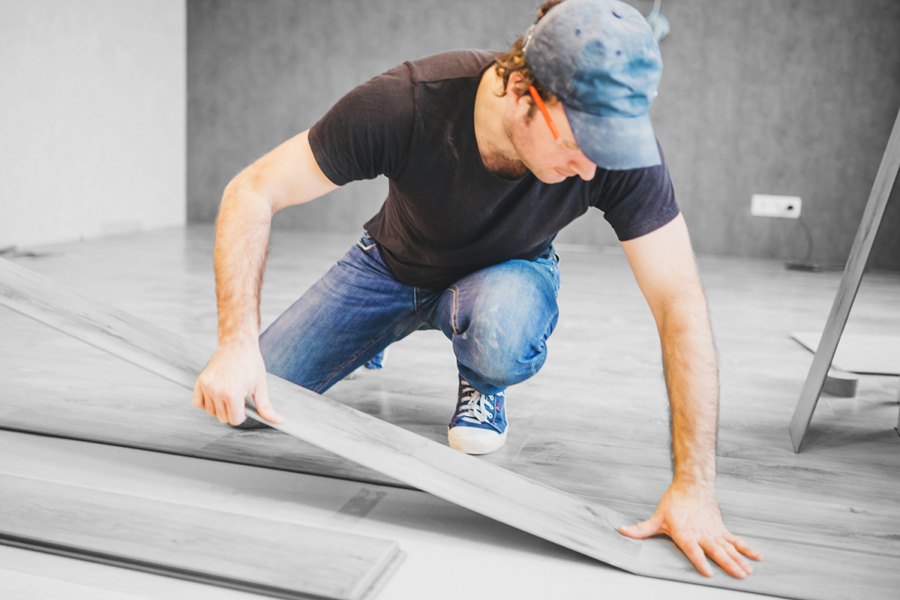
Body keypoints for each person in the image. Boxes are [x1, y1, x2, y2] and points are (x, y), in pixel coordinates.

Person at [192, 0, 762, 579]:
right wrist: (236, 343)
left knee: (500, 332)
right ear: (522, 92)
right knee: (249, 407)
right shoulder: (407, 101)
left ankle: (480, 372)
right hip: (391, 265)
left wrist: (694, 486)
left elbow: (679, 304)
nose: (590, 170)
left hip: (505, 276)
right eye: (576, 144)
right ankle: (380, 330)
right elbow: (252, 190)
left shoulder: (614, 156)